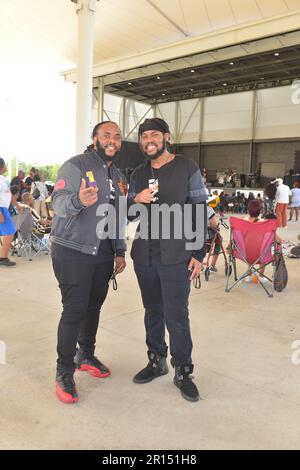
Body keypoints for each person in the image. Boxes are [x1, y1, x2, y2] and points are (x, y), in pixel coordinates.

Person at [128, 118, 207, 402]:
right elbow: (128, 214)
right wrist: (135, 200)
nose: (149, 139)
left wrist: (199, 253)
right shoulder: (138, 173)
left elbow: (200, 211)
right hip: (145, 255)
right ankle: (156, 361)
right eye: (144, 135)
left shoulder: (187, 168)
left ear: (166, 137)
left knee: (177, 315)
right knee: (153, 311)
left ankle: (183, 370)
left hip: (176, 255)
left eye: (154, 135)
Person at [50, 121, 127, 404]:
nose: (112, 140)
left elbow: (118, 217)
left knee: (93, 307)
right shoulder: (75, 166)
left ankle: (86, 355)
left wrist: (120, 251)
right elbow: (57, 203)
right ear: (94, 138)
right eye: (106, 135)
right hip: (72, 251)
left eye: (117, 137)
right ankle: (64, 371)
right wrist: (79, 201)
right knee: (74, 310)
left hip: (103, 254)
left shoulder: (119, 177)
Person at [243, 200, 282, 283]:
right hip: (261, 255)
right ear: (260, 211)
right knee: (264, 248)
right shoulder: (263, 224)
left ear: (248, 210)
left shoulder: (242, 222)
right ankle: (261, 276)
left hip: (244, 253)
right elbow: (278, 240)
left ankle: (249, 276)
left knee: (250, 246)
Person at [0, 158, 16, 267]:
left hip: (3, 208)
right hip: (1, 208)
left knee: (9, 231)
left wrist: (17, 204)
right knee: (10, 230)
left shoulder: (3, 179)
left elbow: (8, 194)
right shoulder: (1, 179)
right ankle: (3, 258)